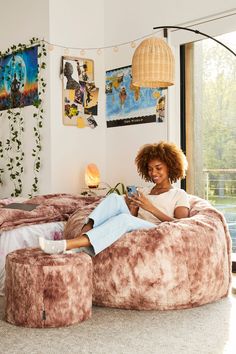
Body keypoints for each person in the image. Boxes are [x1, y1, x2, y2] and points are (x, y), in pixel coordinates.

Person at [39, 141, 190, 256]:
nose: (153, 173)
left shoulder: (179, 194)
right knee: (115, 198)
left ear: (170, 167)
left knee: (124, 219)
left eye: (158, 168)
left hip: (156, 228)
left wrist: (150, 207)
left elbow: (183, 225)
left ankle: (67, 245)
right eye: (150, 169)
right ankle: (81, 238)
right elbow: (133, 217)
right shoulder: (145, 191)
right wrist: (133, 206)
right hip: (137, 224)